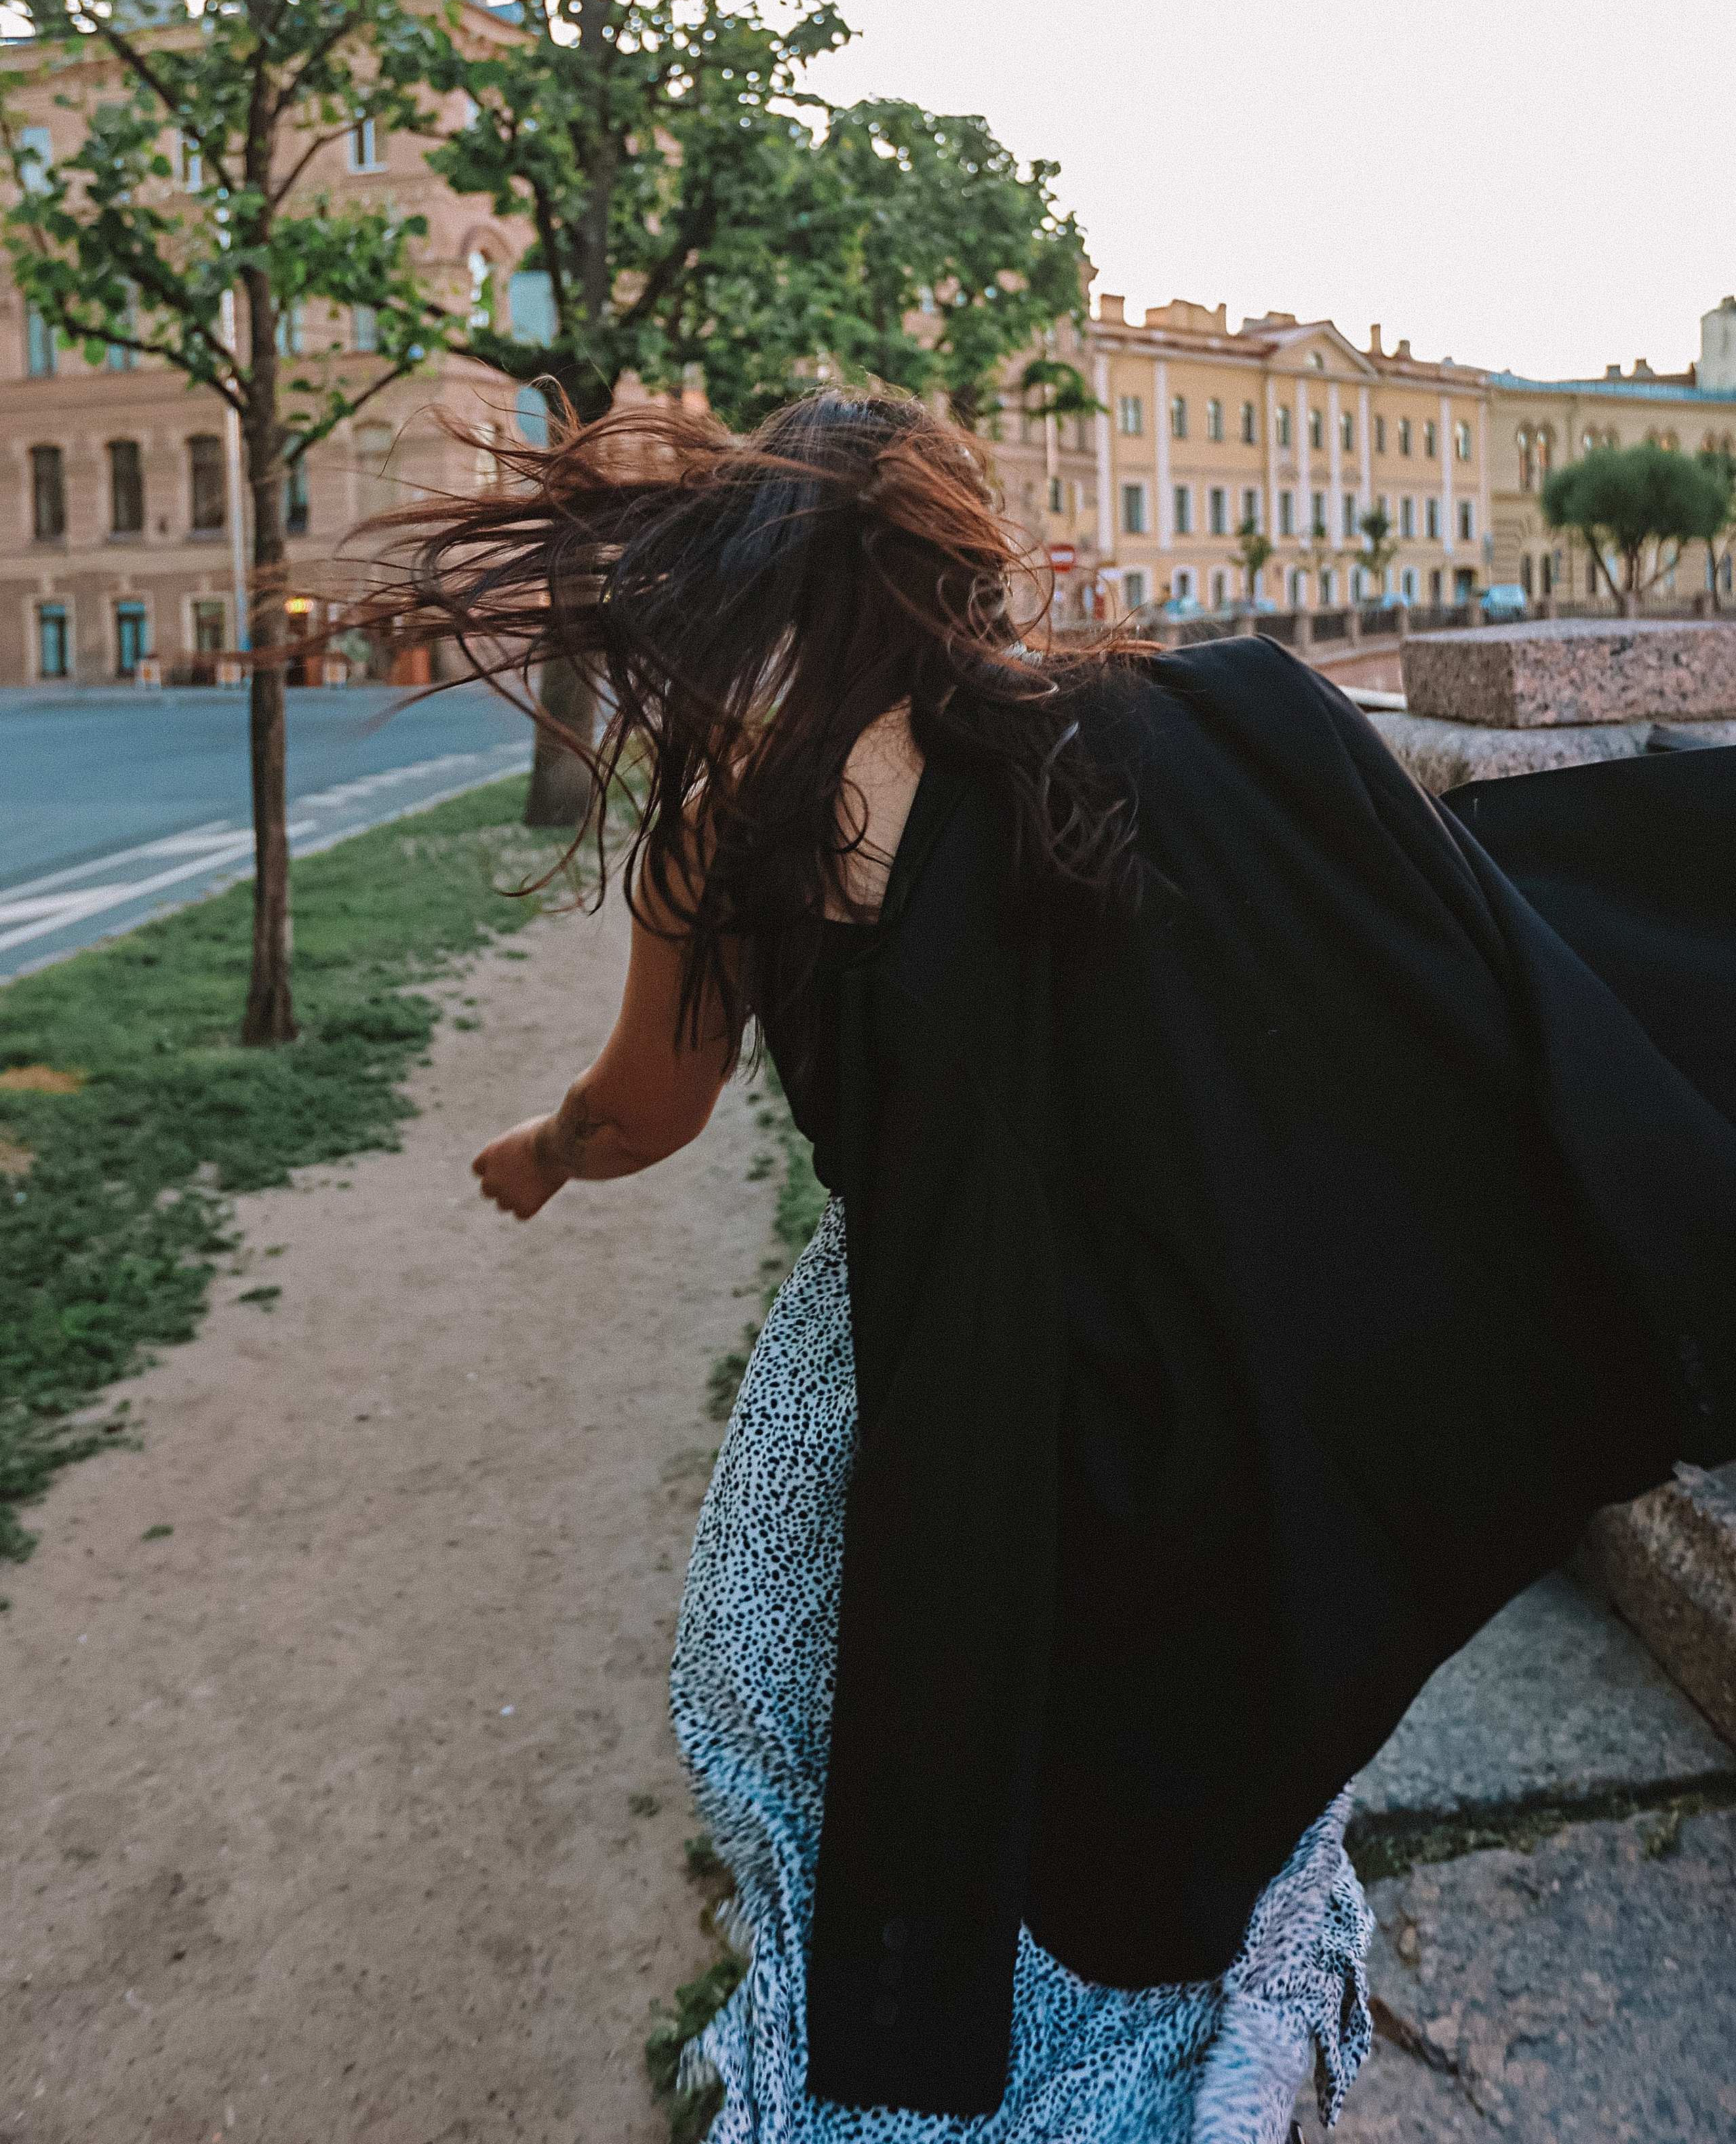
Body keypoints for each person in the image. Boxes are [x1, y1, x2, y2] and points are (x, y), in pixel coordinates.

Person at [361, 389, 1736, 2143]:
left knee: (831, 1777)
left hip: (915, 1370)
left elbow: (646, 1109)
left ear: (774, 576)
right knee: (1200, 1807)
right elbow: (1420, 954)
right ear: (970, 548)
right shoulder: (1202, 719)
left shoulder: (730, 825)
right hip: (1192, 1354)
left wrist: (544, 1156)